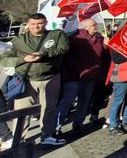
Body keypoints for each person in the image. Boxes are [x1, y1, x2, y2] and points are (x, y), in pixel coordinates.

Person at [0, 12, 69, 146]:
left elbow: (63, 48)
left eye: (39, 23)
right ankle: (18, 139)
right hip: (26, 80)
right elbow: (4, 60)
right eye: (33, 24)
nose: (36, 26)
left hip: (50, 78)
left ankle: (46, 135)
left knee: (48, 108)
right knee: (22, 112)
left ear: (46, 23)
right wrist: (23, 59)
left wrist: (44, 54)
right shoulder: (19, 40)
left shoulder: (56, 35)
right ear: (28, 24)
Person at [55, 18, 107, 135]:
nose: (96, 26)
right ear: (86, 27)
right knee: (67, 102)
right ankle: (56, 127)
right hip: (74, 76)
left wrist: (106, 45)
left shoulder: (99, 38)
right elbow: (66, 55)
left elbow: (104, 53)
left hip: (91, 76)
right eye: (94, 25)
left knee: (84, 101)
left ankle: (78, 123)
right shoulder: (75, 37)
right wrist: (77, 68)